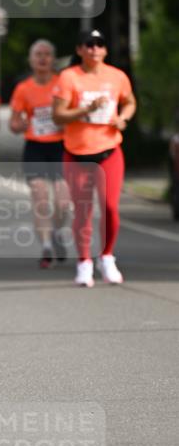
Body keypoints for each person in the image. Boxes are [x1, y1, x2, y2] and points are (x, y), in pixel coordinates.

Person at [52, 28, 136, 286]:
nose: (94, 49)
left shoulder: (117, 76)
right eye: (88, 44)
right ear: (79, 50)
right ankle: (84, 262)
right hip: (78, 154)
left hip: (110, 150)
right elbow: (58, 116)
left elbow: (130, 102)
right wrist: (87, 108)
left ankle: (107, 257)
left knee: (110, 207)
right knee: (84, 210)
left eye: (99, 44)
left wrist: (123, 118)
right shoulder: (69, 77)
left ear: (105, 50)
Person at [9, 40, 72, 267]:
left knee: (63, 200)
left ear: (53, 59)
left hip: (60, 146)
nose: (43, 58)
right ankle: (46, 246)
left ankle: (55, 232)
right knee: (40, 195)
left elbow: (72, 112)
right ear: (31, 59)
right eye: (38, 54)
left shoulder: (62, 84)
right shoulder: (24, 88)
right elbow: (14, 124)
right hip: (35, 146)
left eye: (47, 54)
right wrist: (22, 124)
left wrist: (66, 121)